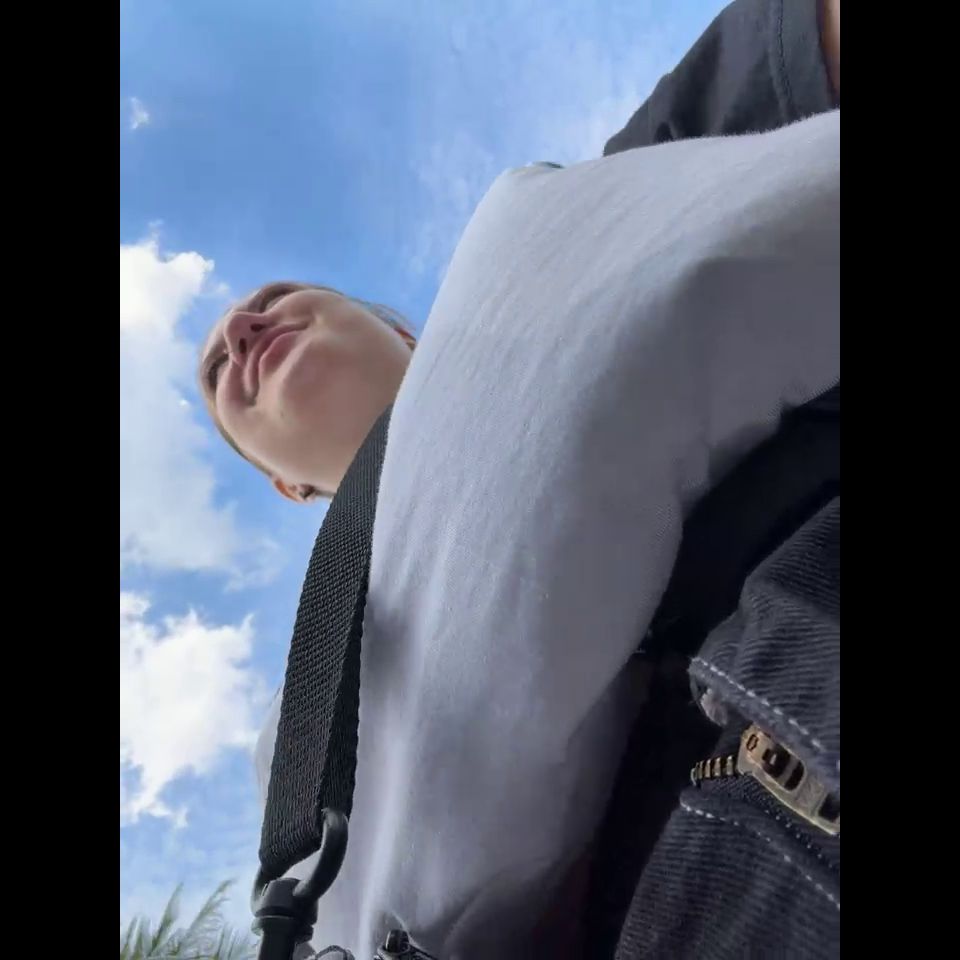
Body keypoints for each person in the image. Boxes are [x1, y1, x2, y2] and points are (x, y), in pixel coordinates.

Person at [198, 1, 840, 956]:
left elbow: (795, 51)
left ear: (405, 328)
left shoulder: (573, 217)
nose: (241, 329)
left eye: (279, 298)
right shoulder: (295, 761)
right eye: (219, 372)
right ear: (285, 486)